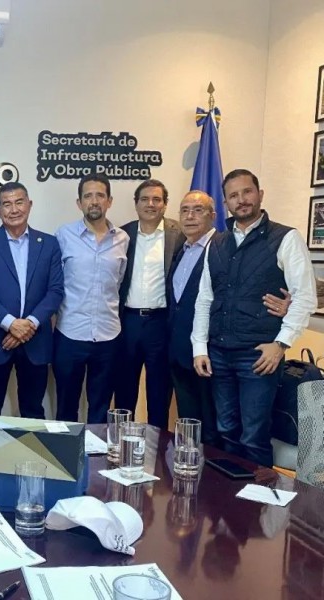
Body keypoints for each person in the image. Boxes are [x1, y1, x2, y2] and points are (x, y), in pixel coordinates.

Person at [192, 169, 316, 466]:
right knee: (226, 429)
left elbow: (305, 297)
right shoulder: (216, 243)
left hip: (259, 355)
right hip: (219, 353)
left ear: (260, 194)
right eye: (233, 195)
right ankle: (234, 491)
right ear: (226, 203)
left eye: (247, 192)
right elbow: (205, 298)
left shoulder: (285, 238)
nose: (242, 200)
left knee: (254, 435)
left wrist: (281, 344)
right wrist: (199, 347)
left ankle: (260, 494)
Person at [169, 190, 291, 445]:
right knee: (190, 426)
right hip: (183, 353)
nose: (190, 216)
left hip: (216, 354)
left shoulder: (225, 247)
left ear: (213, 215)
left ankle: (217, 471)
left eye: (198, 210)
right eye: (185, 210)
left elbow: (257, 285)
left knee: (218, 429)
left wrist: (289, 304)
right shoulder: (181, 248)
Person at [0, 182, 64, 419]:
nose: (14, 209)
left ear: (29, 205)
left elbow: (55, 291)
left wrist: (29, 324)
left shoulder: (49, 244)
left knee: (33, 411)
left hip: (36, 341)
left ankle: (31, 448)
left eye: (19, 202)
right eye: (7, 204)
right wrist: (11, 324)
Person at [54, 174, 128, 424]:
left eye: (100, 195)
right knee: (66, 407)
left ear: (109, 201)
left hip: (108, 336)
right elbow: (55, 283)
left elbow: (119, 282)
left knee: (101, 407)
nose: (94, 201)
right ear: (79, 203)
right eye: (88, 196)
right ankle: (67, 450)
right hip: (70, 333)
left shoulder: (123, 239)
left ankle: (97, 451)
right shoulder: (63, 235)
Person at [115, 180, 184, 429]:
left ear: (165, 204)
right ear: (136, 204)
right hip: (128, 321)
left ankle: (157, 447)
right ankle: (121, 443)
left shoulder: (179, 235)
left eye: (157, 199)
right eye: (144, 199)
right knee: (124, 390)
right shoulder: (122, 235)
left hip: (161, 323)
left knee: (159, 393)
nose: (150, 204)